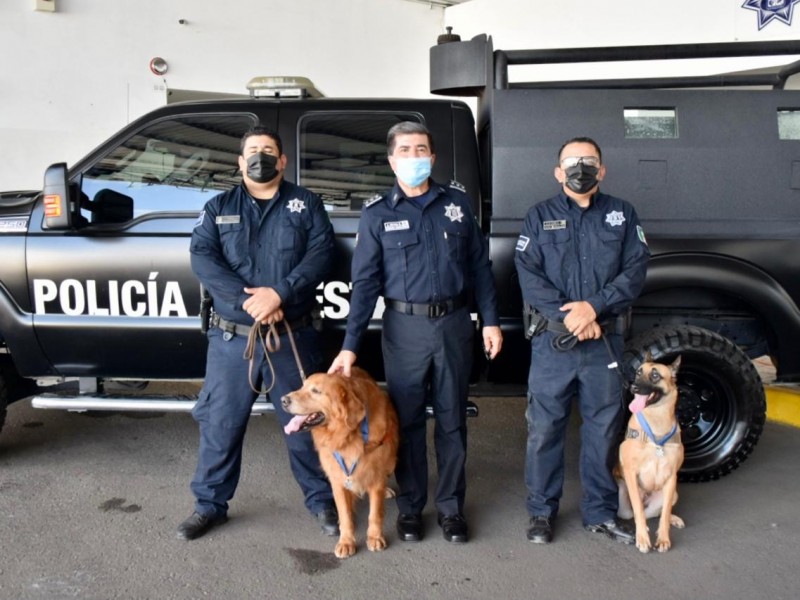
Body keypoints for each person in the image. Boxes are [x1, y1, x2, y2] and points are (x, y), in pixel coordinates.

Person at [328, 121, 502, 544]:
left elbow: (481, 269)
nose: (413, 157)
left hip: (455, 326)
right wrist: (350, 347)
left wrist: (491, 321)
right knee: (403, 424)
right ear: (391, 159)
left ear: (433, 157)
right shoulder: (377, 214)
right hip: (404, 329)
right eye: (404, 150)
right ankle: (409, 508)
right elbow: (365, 284)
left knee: (451, 422)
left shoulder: (457, 206)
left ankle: (450, 509)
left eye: (421, 149)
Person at [178, 127, 338, 541]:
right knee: (221, 425)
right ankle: (209, 506)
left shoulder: (307, 204)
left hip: (292, 336)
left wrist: (280, 293)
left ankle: (323, 502)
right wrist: (250, 301)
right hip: (234, 339)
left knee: (305, 425)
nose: (261, 157)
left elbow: (322, 253)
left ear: (282, 161)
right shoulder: (218, 207)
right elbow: (203, 257)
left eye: (269, 151)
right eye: (253, 151)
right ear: (240, 161)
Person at [514, 137, 650, 545]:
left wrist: (593, 307)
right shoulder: (539, 217)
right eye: (572, 162)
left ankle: (600, 513)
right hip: (553, 344)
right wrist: (572, 316)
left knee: (604, 430)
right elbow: (529, 275)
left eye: (589, 161)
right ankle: (541, 513)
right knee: (544, 430)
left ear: (602, 170)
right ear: (558, 172)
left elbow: (635, 271)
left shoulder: (622, 215)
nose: (581, 168)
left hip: (603, 342)